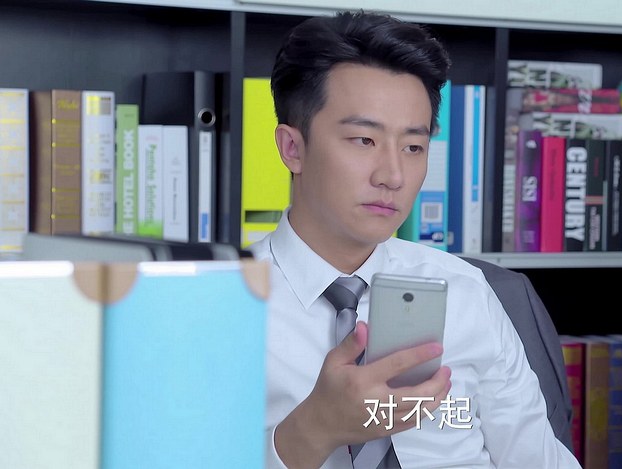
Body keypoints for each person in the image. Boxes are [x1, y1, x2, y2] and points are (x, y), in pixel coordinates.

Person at [248, 10, 581, 469]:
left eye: (413, 147)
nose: (393, 176)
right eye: (364, 140)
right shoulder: (220, 304)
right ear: (293, 148)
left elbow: (539, 460)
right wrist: (314, 429)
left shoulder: (466, 292)